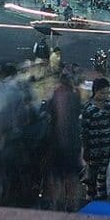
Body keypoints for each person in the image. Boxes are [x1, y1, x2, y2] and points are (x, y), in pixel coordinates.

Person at [46, 71, 82, 211]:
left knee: (57, 178)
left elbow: (51, 118)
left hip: (57, 144)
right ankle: (72, 205)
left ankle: (58, 205)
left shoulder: (56, 95)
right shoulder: (75, 96)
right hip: (72, 144)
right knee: (72, 176)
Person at [80, 77, 110, 201]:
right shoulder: (88, 109)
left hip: (106, 146)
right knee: (92, 175)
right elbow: (84, 132)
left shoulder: (109, 105)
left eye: (107, 92)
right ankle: (90, 198)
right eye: (103, 92)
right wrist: (85, 150)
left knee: (103, 174)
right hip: (93, 148)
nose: (105, 95)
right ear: (95, 91)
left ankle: (102, 198)